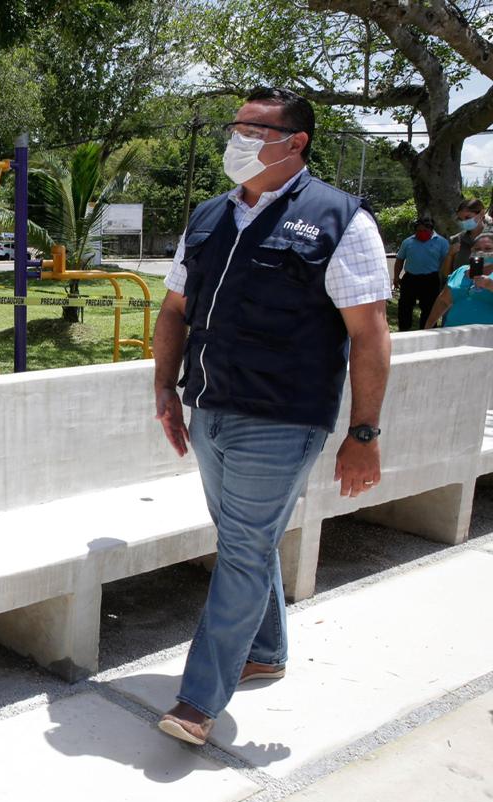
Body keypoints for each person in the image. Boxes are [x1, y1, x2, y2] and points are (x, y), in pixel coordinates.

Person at [152, 87, 392, 745]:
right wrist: (165, 389)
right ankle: (265, 649)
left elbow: (369, 333)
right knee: (240, 538)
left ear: (296, 143)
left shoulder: (340, 220)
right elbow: (174, 311)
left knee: (245, 545)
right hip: (210, 410)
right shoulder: (206, 218)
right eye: (237, 125)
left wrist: (363, 432)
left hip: (285, 418)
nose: (239, 137)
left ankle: (200, 699)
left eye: (256, 129)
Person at [425, 233, 493, 328]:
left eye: (488, 249)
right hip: (452, 334)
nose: (482, 252)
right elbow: (443, 301)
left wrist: (490, 285)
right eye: (477, 249)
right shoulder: (461, 271)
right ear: (471, 251)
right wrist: (428, 326)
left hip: (485, 338)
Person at [393, 215, 449, 331]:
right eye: (419, 230)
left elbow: (447, 261)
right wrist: (396, 277)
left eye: (425, 230)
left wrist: (445, 279)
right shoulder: (408, 242)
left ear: (431, 229)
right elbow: (399, 259)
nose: (421, 232)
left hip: (430, 279)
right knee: (405, 307)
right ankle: (403, 330)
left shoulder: (442, 242)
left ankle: (427, 331)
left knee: (429, 308)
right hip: (410, 278)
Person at [441, 197, 486, 277]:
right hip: (460, 288)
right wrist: (450, 255)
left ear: (482, 213)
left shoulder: (490, 238)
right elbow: (446, 274)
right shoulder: (456, 239)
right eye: (460, 219)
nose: (464, 222)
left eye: (467, 217)